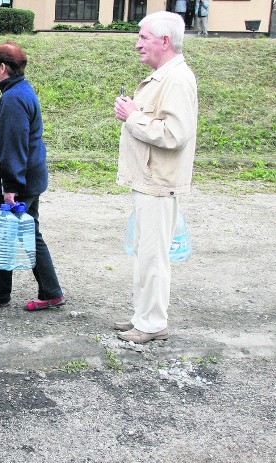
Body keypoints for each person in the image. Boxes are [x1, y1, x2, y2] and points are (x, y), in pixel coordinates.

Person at [113, 12, 198, 343]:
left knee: (153, 256)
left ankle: (151, 323)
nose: (137, 44)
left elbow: (176, 134)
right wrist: (135, 111)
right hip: (149, 180)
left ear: (165, 41)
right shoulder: (165, 77)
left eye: (143, 37)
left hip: (159, 184)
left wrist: (132, 116)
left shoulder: (177, 79)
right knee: (145, 252)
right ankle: (144, 316)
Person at [0, 41, 65, 313]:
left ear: (3, 67)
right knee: (19, 232)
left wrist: (10, 187)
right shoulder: (19, 90)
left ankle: (4, 294)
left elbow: (13, 144)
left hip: (17, 182)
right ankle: (45, 291)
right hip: (25, 178)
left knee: (8, 232)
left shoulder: (13, 98)